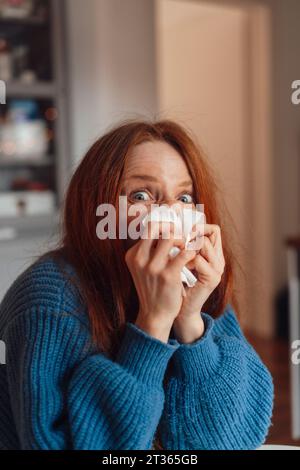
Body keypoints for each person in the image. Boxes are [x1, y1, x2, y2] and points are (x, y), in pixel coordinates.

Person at [0, 119, 274, 450]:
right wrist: (153, 324)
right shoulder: (51, 301)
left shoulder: (192, 282)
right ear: (97, 209)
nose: (171, 215)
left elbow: (228, 441)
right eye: (141, 195)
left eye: (184, 198)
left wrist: (189, 320)